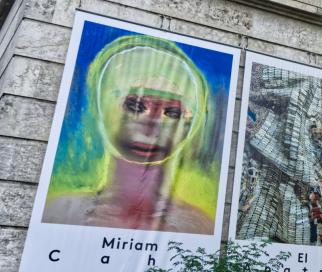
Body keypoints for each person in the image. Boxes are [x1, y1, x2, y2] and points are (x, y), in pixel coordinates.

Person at [42, 34, 215, 234]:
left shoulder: (198, 227)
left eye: (172, 112)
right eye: (135, 106)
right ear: (102, 107)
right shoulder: (59, 213)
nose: (151, 125)